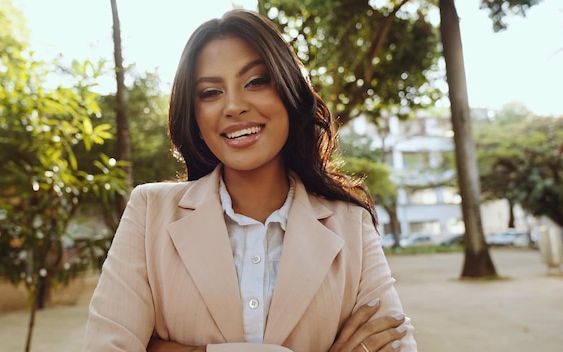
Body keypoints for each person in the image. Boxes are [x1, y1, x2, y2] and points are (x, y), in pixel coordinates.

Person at [84, 8, 417, 352]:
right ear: (195, 115)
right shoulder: (150, 211)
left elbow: (395, 345)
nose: (234, 106)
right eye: (210, 92)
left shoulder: (351, 225)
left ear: (289, 91)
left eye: (256, 81)